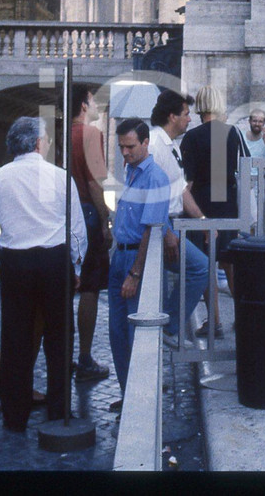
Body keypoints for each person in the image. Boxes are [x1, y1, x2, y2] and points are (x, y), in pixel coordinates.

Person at [0, 117, 87, 432]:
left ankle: (15, 417)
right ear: (38, 143)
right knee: (60, 340)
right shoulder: (60, 177)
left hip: (16, 266)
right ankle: (59, 412)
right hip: (55, 263)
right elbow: (77, 230)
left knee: (16, 339)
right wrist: (76, 265)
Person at [107, 118, 170, 409]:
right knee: (118, 331)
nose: (125, 152)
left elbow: (151, 229)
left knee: (136, 334)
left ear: (146, 143)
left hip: (135, 260)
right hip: (120, 255)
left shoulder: (155, 177)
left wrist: (135, 273)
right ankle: (127, 393)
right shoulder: (130, 170)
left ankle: (141, 402)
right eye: (121, 147)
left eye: (130, 146)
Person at [180, 85, 248, 340]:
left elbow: (189, 180)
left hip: (203, 203)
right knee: (230, 262)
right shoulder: (233, 133)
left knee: (207, 263)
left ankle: (215, 321)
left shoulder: (192, 137)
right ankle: (243, 316)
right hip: (228, 200)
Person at [148, 90, 210, 347]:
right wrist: (166, 232)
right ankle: (168, 327)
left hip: (171, 223)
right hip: (161, 225)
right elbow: (151, 193)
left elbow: (180, 190)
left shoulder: (171, 146)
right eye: (186, 114)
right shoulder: (153, 145)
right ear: (172, 116)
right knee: (199, 267)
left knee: (194, 268)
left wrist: (203, 220)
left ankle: (167, 326)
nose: (189, 120)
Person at [68, 84, 112, 383]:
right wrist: (106, 220)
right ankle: (84, 357)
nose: (96, 105)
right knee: (90, 288)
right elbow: (96, 183)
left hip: (64, 212)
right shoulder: (91, 134)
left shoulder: (62, 133)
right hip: (86, 212)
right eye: (93, 100)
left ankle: (63, 354)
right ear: (84, 105)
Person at [240, 108, 265, 230]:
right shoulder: (242, 136)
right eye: (255, 121)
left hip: (260, 182)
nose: (257, 124)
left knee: (258, 218)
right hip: (244, 180)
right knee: (246, 216)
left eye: (260, 121)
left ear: (264, 123)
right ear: (250, 121)